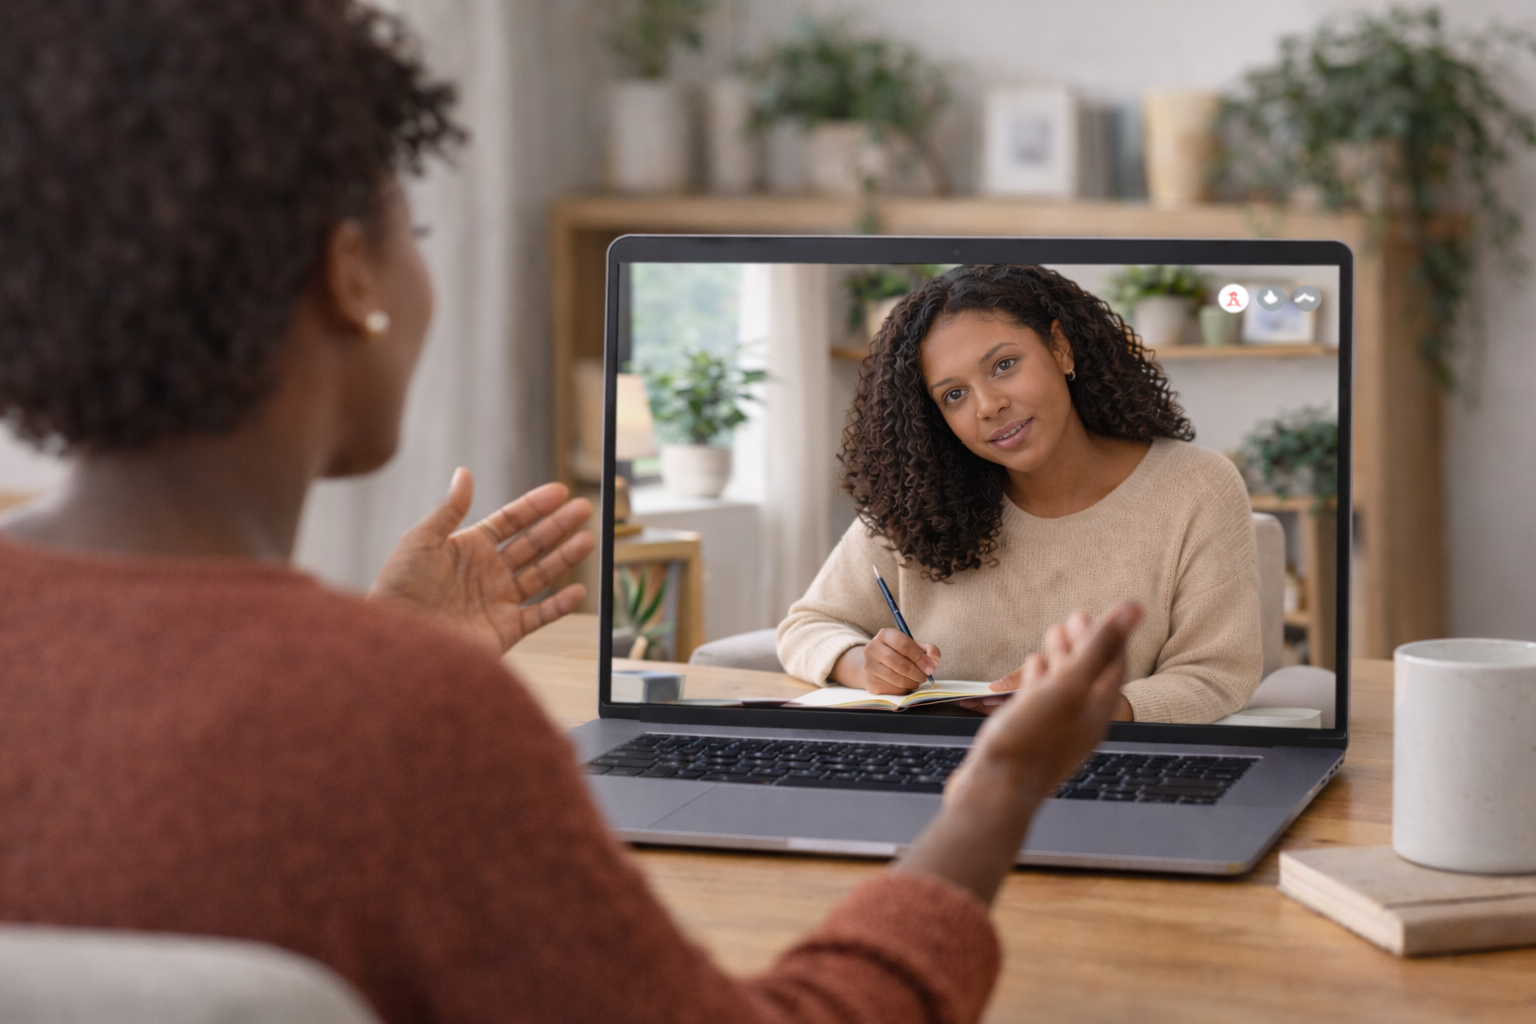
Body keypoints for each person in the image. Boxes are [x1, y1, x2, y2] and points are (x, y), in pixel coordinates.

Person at [0, 4, 1142, 1023]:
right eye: (413, 232)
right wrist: (995, 792)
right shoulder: (413, 723)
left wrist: (387, 650)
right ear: (351, 276)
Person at [777, 264, 1263, 724]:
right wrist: (861, 662)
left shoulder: (1196, 486)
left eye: (1004, 365)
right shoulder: (921, 501)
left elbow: (1217, 674)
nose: (989, 406)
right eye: (954, 395)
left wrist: (1096, 706)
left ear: (1060, 348)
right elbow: (808, 626)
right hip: (939, 774)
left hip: (1106, 765)